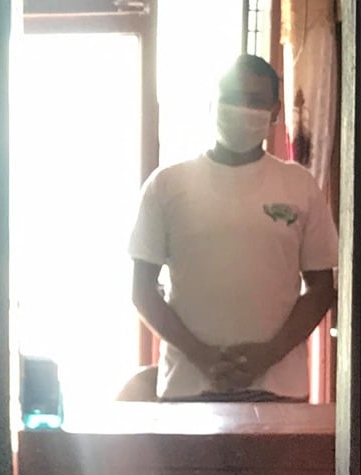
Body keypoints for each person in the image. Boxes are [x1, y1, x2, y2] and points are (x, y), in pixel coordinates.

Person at [129, 54, 338, 402]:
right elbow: (142, 291)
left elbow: (321, 289)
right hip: (187, 389)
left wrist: (267, 355)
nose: (242, 109)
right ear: (213, 102)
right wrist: (202, 357)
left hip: (278, 389)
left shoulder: (299, 185)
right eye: (232, 98)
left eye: (255, 101)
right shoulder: (166, 185)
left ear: (275, 111)